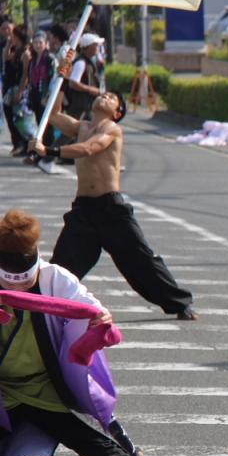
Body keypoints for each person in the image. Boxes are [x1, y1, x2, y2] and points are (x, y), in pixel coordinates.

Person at [0, 209, 186, 456]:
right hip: (2, 392)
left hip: (44, 389)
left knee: (100, 449)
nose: (19, 282)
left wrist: (101, 319)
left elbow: (95, 311)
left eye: (23, 276)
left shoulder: (56, 278)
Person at [28, 56, 197, 321]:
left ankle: (179, 303)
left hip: (111, 209)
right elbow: (53, 114)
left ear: (117, 112)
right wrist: (61, 79)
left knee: (141, 261)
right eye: (104, 94)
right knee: (63, 265)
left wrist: (49, 150)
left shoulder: (112, 129)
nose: (105, 97)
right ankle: (40, 308)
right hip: (84, 210)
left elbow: (89, 149)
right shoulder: (82, 126)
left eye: (111, 98)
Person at [21, 32, 58, 168]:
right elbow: (30, 79)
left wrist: (48, 96)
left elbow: (54, 79)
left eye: (40, 42)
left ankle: (48, 154)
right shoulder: (33, 59)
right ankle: (39, 153)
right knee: (39, 125)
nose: (37, 45)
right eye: (35, 43)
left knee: (47, 127)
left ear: (46, 44)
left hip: (46, 97)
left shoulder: (50, 59)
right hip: (35, 96)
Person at [65, 33, 105, 121]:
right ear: (88, 46)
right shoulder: (81, 63)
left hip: (86, 106)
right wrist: (91, 90)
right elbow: (73, 83)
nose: (98, 47)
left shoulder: (88, 62)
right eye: (96, 45)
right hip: (81, 107)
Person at [2, 24, 29, 156]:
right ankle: (16, 142)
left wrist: (21, 91)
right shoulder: (14, 49)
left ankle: (23, 143)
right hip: (9, 86)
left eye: (12, 34)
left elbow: (25, 74)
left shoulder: (25, 52)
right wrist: (8, 44)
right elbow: (5, 57)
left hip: (17, 87)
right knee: (8, 113)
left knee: (18, 117)